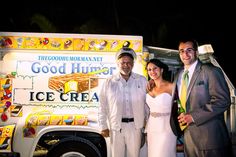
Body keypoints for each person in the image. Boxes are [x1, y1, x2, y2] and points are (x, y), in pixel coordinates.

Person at [170, 38, 232, 157]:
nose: (185, 54)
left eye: (189, 50)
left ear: (196, 53)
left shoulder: (211, 71)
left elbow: (223, 101)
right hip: (189, 139)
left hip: (210, 139)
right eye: (181, 51)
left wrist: (193, 116)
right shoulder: (178, 75)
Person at [98, 47, 147, 157]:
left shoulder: (142, 80)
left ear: (133, 64)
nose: (126, 65)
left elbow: (147, 104)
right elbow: (102, 105)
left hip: (135, 126)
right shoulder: (109, 82)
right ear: (117, 63)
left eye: (129, 62)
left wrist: (147, 123)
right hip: (116, 127)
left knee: (134, 155)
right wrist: (103, 126)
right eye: (123, 62)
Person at [145, 58, 177, 157]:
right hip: (151, 127)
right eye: (149, 69)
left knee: (164, 153)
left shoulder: (171, 86)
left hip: (167, 127)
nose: (152, 71)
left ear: (161, 70)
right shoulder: (148, 87)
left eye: (155, 68)